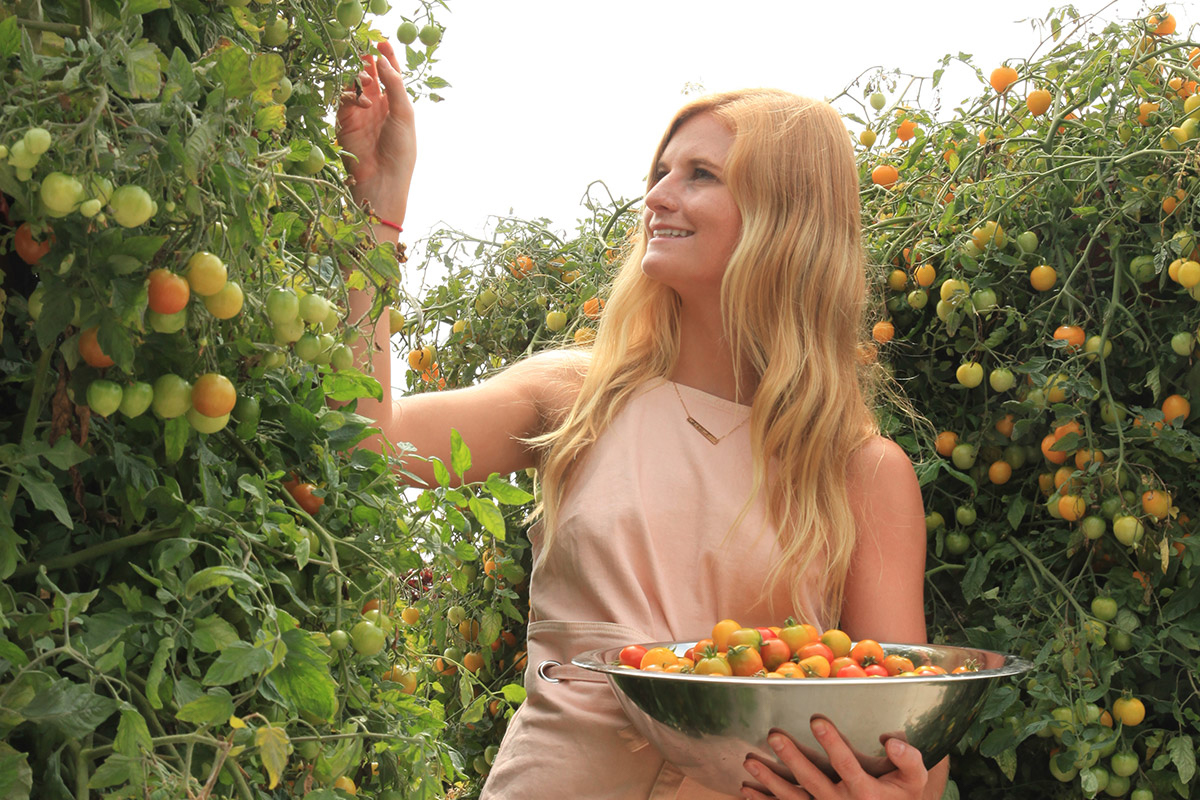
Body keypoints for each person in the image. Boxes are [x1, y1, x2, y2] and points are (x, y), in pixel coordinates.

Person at [338, 40, 950, 800]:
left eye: (700, 176)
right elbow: (364, 451)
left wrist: (894, 788)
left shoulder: (862, 469)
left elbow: (907, 722)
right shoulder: (577, 396)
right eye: (659, 172)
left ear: (786, 214)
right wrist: (379, 211)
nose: (657, 196)